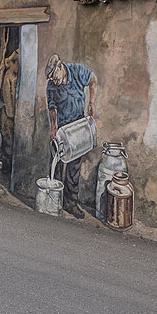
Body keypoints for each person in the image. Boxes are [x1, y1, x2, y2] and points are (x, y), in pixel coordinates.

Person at [45, 54, 97, 218]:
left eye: (56, 77)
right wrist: (53, 127)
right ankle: (54, 200)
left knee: (74, 167)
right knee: (56, 163)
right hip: (62, 128)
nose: (55, 81)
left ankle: (70, 204)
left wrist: (91, 103)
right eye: (52, 79)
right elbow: (52, 108)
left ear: (60, 67)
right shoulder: (51, 87)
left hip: (78, 126)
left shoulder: (77, 71)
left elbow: (93, 80)